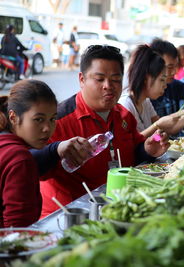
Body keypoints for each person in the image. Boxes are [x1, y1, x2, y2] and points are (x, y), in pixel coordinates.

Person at [40, 45, 169, 217]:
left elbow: (134, 152)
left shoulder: (124, 116)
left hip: (117, 207)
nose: (108, 86)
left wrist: (147, 150)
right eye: (99, 79)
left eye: (115, 79)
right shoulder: (57, 120)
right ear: (82, 79)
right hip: (71, 214)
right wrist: (57, 149)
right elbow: (32, 165)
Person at [0, 80, 57, 227]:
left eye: (52, 119)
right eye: (38, 119)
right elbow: (17, 229)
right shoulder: (20, 160)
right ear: (13, 117)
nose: (47, 128)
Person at [119, 44, 184, 138]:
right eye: (162, 80)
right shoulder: (126, 105)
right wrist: (157, 125)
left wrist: (160, 137)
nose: (165, 86)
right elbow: (130, 143)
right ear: (145, 79)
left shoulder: (145, 102)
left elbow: (158, 133)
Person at [149, 38, 184, 117]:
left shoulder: (173, 84)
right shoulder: (145, 99)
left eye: (176, 66)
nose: (174, 72)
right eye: (170, 67)